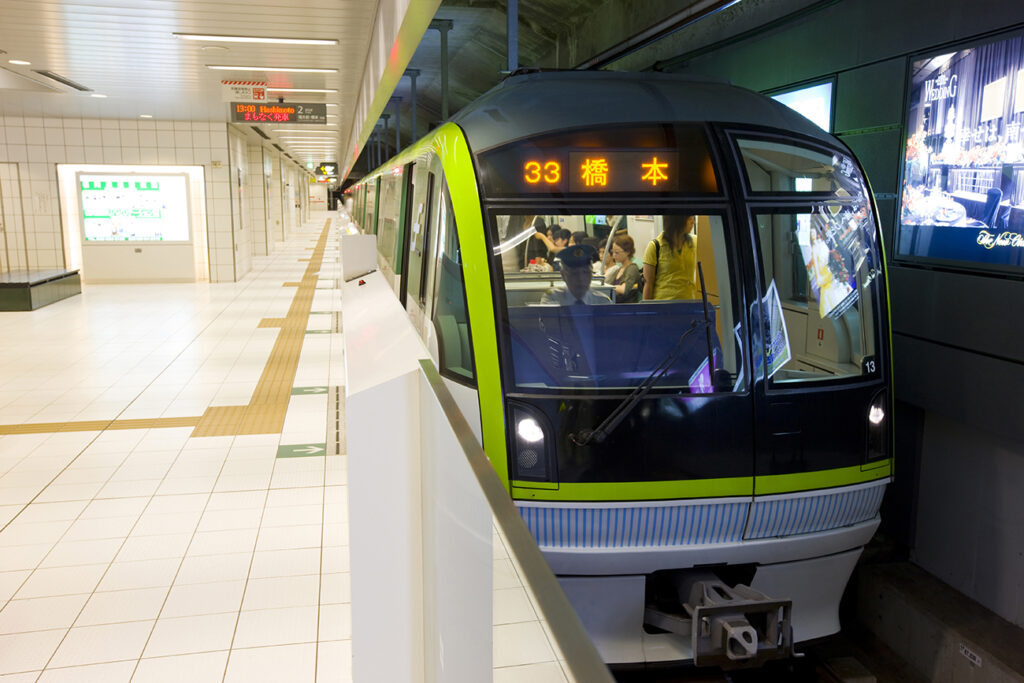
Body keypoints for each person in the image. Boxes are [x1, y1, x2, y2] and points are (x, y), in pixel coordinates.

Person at [643, 215, 699, 300]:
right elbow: (648, 284)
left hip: (689, 305)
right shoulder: (655, 246)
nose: (693, 222)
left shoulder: (695, 242)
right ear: (677, 220)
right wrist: (647, 310)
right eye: (689, 218)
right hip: (663, 306)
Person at [540, 245, 611, 305]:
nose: (581, 278)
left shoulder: (602, 301)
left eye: (585, 272)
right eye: (574, 273)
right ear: (563, 275)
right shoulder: (552, 299)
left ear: (591, 274)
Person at [604, 234, 641, 303]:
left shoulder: (632, 269)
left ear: (627, 252)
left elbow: (624, 290)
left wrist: (609, 287)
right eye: (613, 252)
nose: (614, 255)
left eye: (617, 252)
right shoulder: (618, 270)